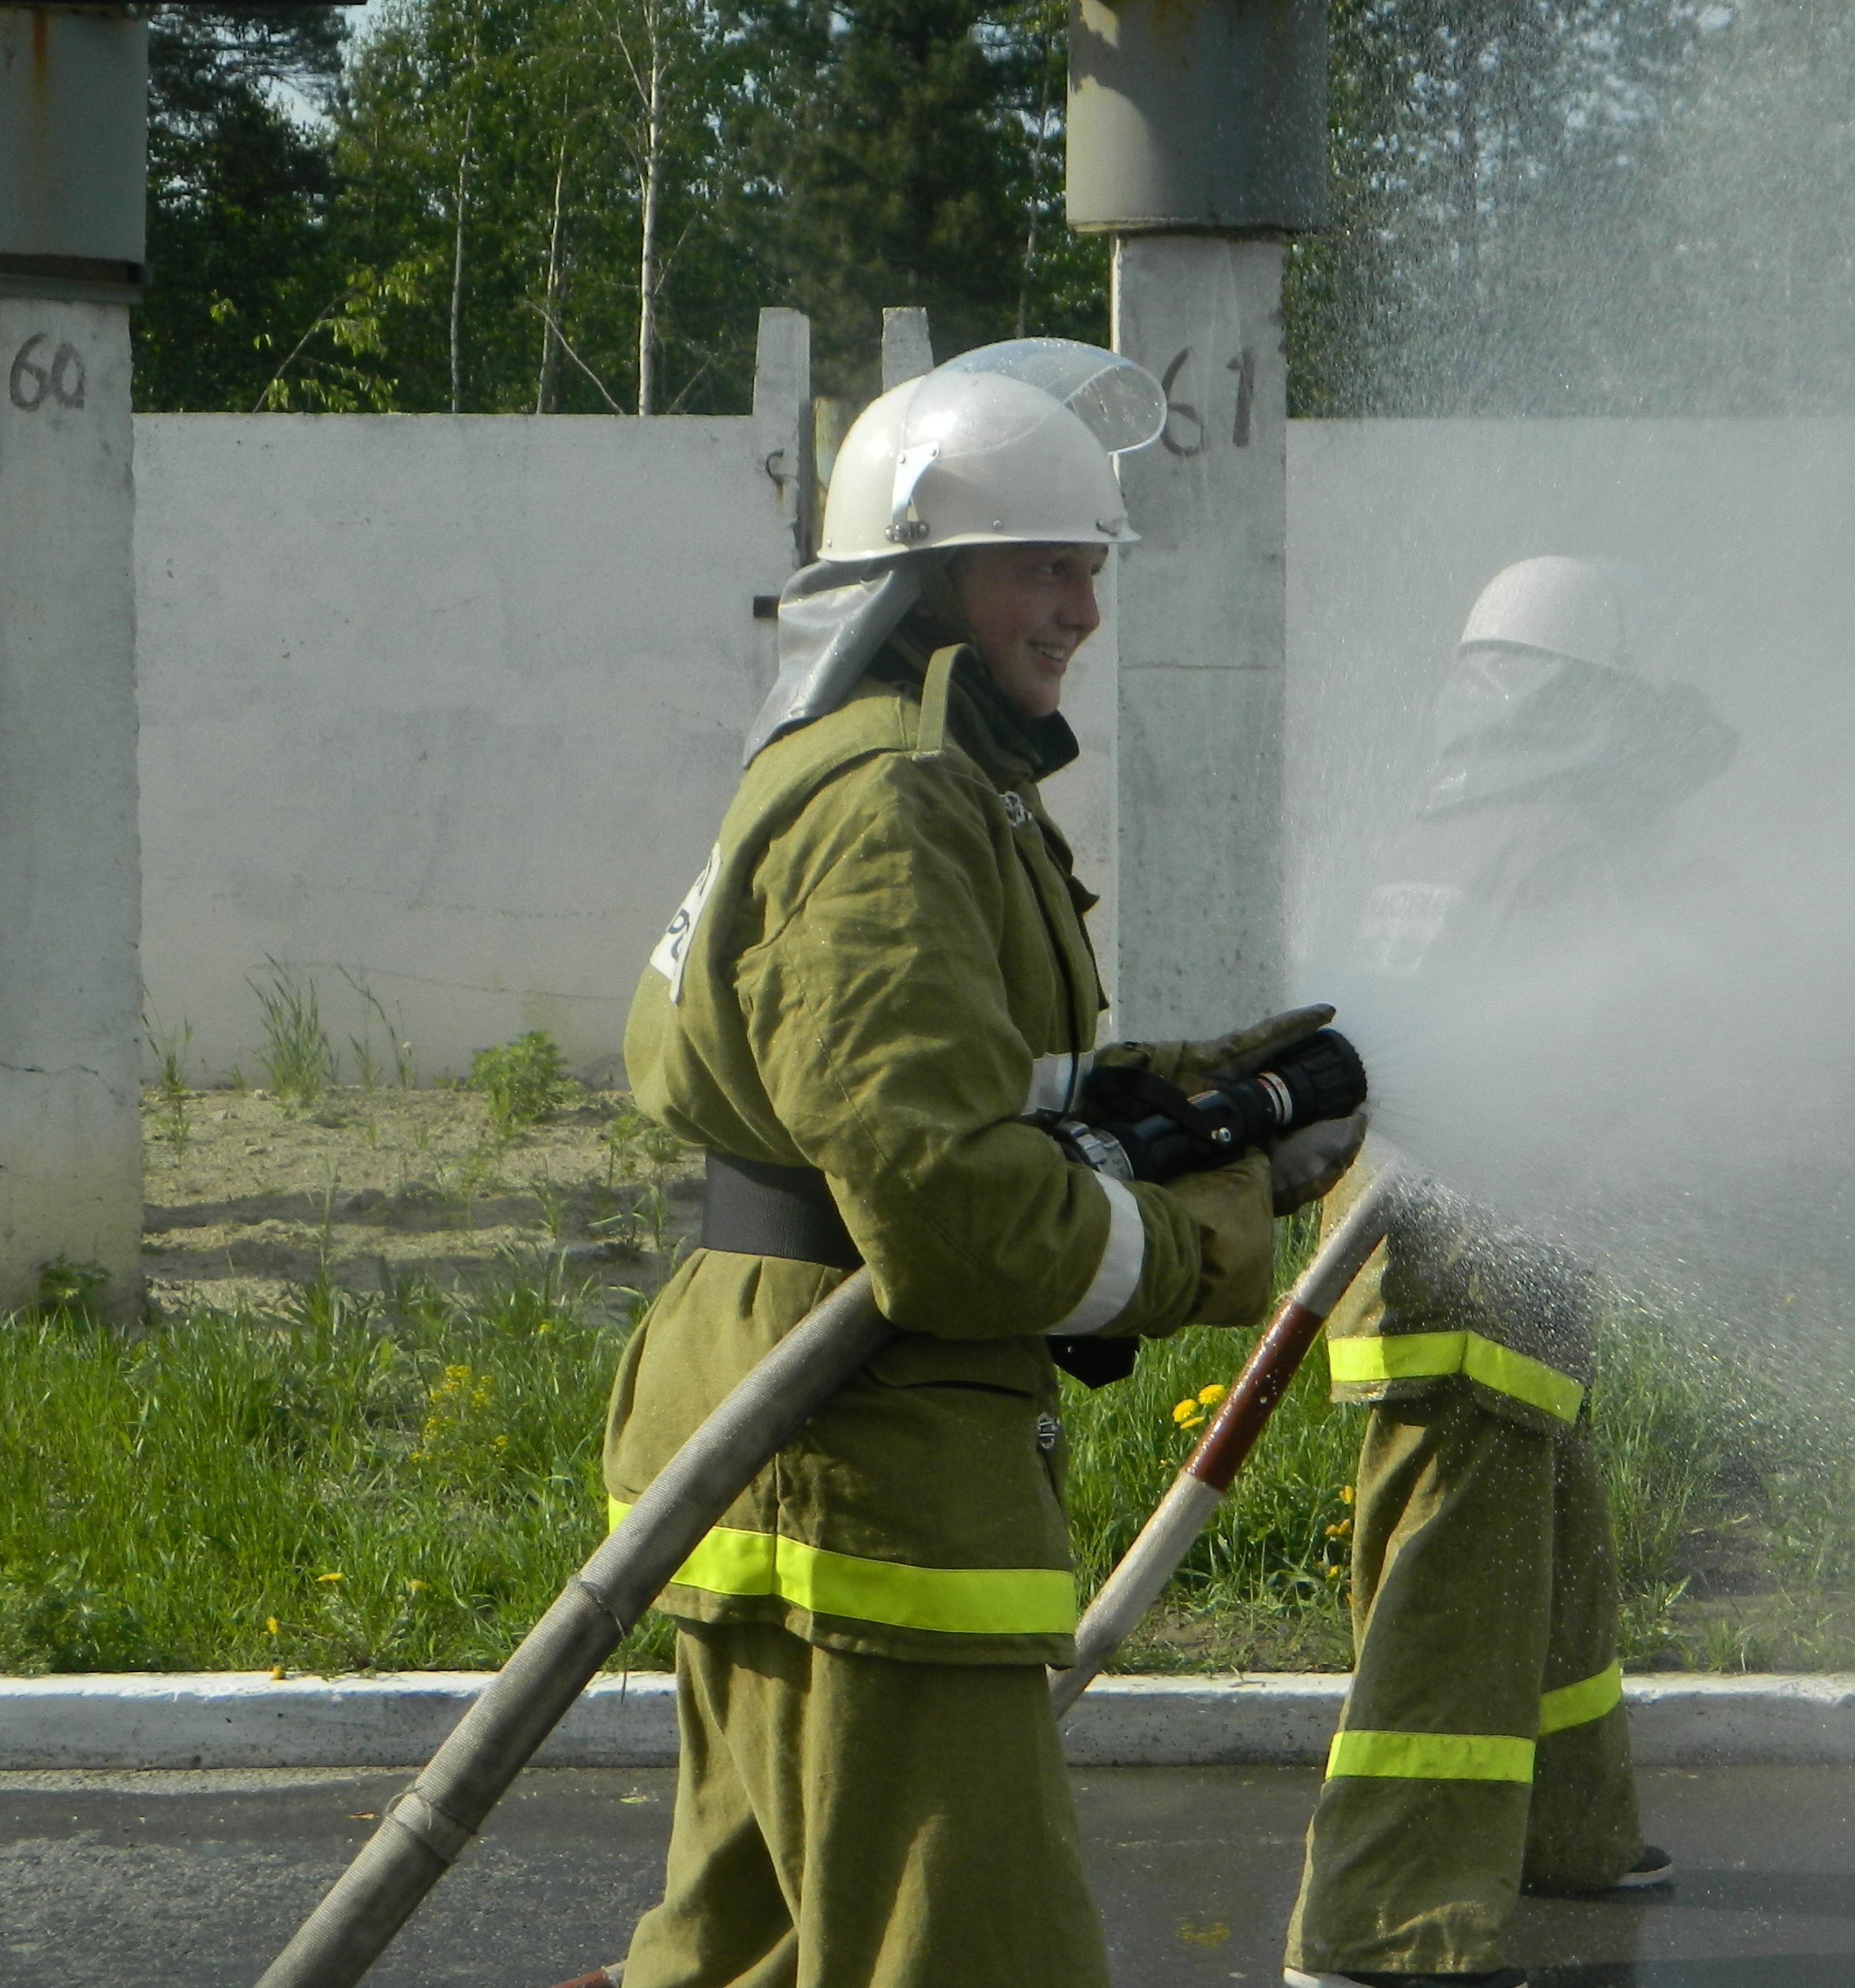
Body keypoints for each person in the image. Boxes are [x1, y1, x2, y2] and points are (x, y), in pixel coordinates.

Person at [592, 342, 1359, 1988]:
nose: (1081, 608)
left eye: (1090, 567)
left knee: (752, 1954)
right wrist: (1205, 1227)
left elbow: (945, 1081)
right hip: (866, 1466)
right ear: (923, 579)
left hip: (810, 1423)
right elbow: (941, 1205)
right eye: (1040, 568)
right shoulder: (895, 801)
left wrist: (1182, 1100)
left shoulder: (917, 772)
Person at [1285, 556, 1735, 1988]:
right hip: (1486, 1258)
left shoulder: (1432, 830)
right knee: (1456, 1590)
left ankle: (1569, 1826)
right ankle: (1383, 1921)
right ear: (1592, 701)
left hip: (1409, 1242)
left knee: (1550, 1534)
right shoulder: (1563, 846)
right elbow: (1608, 1051)